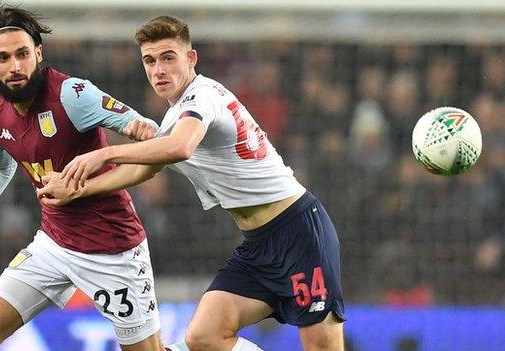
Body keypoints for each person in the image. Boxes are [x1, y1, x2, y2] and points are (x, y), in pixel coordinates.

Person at [39, 15, 346, 351]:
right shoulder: (176, 114)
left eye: (168, 57)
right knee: (203, 337)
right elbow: (146, 169)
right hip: (259, 244)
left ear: (191, 58)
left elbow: (180, 147)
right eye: (149, 61)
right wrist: (79, 189)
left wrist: (103, 156)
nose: (158, 70)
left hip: (299, 233)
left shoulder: (202, 97)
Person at [0, 5, 166, 351]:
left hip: (113, 250)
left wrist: (103, 164)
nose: (15, 67)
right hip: (52, 245)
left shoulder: (73, 95)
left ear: (38, 53)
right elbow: (0, 166)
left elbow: (158, 146)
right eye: (3, 57)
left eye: (23, 54)